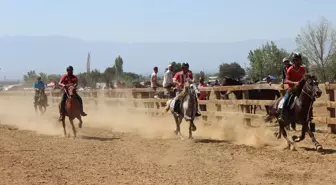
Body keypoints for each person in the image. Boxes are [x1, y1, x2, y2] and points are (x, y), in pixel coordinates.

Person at [278, 53, 305, 123]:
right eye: (297, 60)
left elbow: (304, 77)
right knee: (285, 100)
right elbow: (286, 80)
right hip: (292, 89)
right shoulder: (289, 70)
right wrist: (294, 83)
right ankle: (282, 116)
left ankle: (309, 116)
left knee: (309, 98)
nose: (299, 62)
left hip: (301, 89)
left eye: (299, 60)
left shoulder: (302, 68)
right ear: (294, 61)